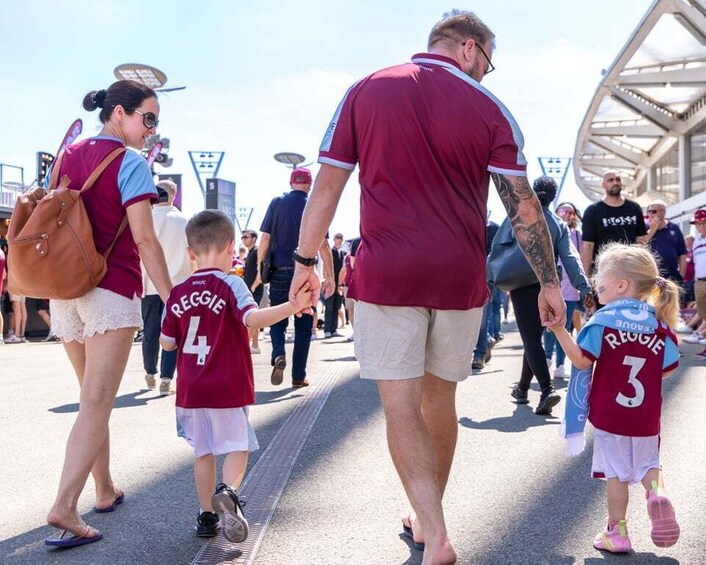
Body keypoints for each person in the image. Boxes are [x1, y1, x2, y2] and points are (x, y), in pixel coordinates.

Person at [288, 11, 565, 564]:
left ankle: (433, 529)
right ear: (469, 48)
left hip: (387, 273)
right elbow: (524, 208)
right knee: (440, 397)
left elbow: (328, 185)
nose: (487, 72)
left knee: (399, 405)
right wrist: (549, 280)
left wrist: (304, 260)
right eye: (488, 61)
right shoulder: (491, 110)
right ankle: (427, 515)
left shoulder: (366, 90)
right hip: (458, 276)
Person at [44, 80, 172, 548]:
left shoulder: (67, 155)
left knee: (89, 400)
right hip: (111, 289)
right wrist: (170, 296)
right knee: (97, 401)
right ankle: (64, 505)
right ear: (119, 113)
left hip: (65, 288)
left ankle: (103, 488)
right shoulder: (130, 163)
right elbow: (144, 239)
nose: (152, 130)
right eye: (148, 118)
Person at [160, 210, 312, 540]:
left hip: (191, 391)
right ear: (232, 247)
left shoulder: (178, 292)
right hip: (227, 387)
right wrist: (292, 306)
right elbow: (252, 319)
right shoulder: (232, 284)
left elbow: (166, 342)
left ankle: (205, 516)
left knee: (203, 453)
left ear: (190, 253)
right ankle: (228, 492)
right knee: (237, 445)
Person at [549, 243, 681, 553]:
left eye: (601, 278)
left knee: (616, 474)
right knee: (649, 463)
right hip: (646, 415)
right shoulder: (659, 325)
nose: (596, 282)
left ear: (622, 285)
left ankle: (617, 532)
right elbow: (668, 368)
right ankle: (656, 493)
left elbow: (582, 361)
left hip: (611, 413)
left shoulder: (603, 321)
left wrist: (558, 330)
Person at [500, 178, 591, 414]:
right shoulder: (558, 224)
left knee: (531, 341)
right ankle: (521, 388)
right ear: (553, 198)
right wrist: (583, 285)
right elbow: (570, 258)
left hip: (521, 282)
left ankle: (546, 389)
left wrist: (490, 279)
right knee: (534, 338)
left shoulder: (516, 215)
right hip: (549, 285)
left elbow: (498, 247)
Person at [258, 168, 332, 388]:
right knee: (303, 325)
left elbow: (264, 239)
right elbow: (324, 245)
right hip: (307, 272)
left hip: (279, 270)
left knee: (277, 319)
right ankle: (298, 376)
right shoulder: (314, 206)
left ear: (291, 183)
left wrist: (261, 266)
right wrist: (329, 276)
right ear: (309, 185)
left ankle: (279, 354)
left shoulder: (277, 203)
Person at [141, 179, 191, 396]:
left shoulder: (144, 219)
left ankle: (150, 373)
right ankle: (166, 378)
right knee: (173, 334)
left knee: (150, 332)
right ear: (174, 195)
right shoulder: (185, 221)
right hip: (177, 286)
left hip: (149, 285)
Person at [580, 170, 648, 279]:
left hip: (631, 270)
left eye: (618, 179)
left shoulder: (634, 207)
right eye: (610, 180)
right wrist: (585, 278)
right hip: (604, 271)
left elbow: (641, 240)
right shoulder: (593, 211)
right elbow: (588, 246)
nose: (615, 182)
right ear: (603, 184)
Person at [544, 201, 584, 379]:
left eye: (570, 211)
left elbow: (582, 260)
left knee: (565, 329)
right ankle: (546, 359)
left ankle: (560, 364)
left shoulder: (578, 236)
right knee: (549, 326)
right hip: (551, 287)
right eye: (562, 210)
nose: (566, 214)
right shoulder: (549, 232)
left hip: (570, 290)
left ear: (574, 215)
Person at [645, 199, 687, 285]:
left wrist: (681, 275)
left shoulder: (674, 228)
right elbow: (641, 244)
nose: (650, 214)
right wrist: (653, 229)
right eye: (648, 211)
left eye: (653, 211)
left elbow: (682, 253)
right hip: (651, 276)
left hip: (672, 276)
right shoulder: (645, 228)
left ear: (662, 212)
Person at [241, 229, 264, 352]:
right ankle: (254, 345)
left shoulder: (256, 251)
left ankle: (252, 344)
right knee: (252, 317)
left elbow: (260, 270)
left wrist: (254, 286)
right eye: (242, 237)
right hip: (249, 288)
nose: (244, 239)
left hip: (254, 288)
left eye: (246, 237)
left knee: (252, 317)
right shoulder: (250, 252)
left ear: (254, 238)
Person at [324, 233, 345, 338]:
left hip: (340, 283)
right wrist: (327, 280)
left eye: (341, 238)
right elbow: (325, 266)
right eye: (337, 238)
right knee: (329, 307)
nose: (339, 240)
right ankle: (327, 330)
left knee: (337, 306)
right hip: (331, 281)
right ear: (334, 239)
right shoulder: (331, 252)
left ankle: (334, 329)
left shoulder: (343, 253)